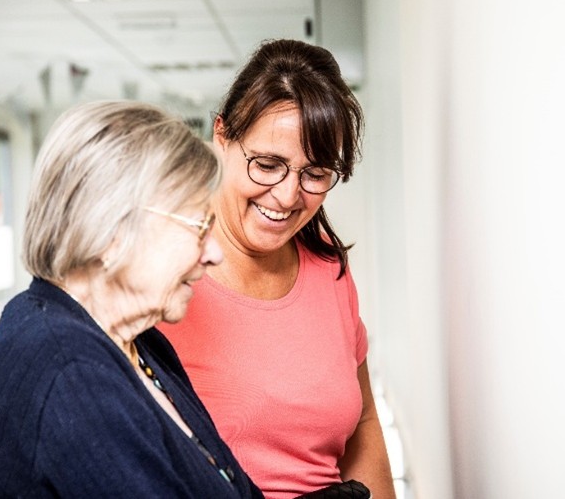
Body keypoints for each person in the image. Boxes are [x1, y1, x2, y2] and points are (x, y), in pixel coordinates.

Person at [0, 100, 263, 498]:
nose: (214, 253)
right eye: (200, 226)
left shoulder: (142, 343)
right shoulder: (69, 371)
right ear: (111, 232)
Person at [158, 39, 396, 498]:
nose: (288, 197)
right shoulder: (161, 270)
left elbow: (363, 422)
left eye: (315, 174)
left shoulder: (327, 265)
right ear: (222, 136)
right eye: (267, 165)